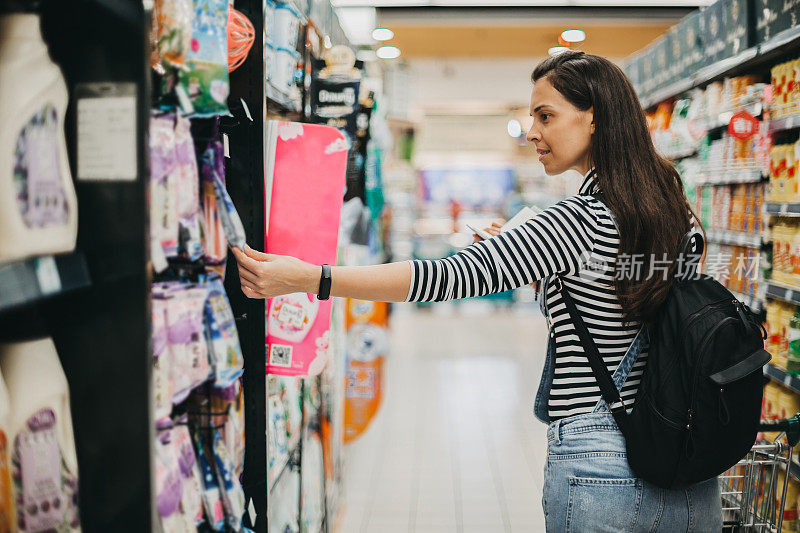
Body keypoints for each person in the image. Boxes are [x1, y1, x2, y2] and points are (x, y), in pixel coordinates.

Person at [232, 50, 721, 532]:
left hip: (604, 465)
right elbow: (633, 306)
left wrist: (310, 278)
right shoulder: (671, 213)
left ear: (595, 118)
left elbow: (439, 278)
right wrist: (532, 259)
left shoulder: (577, 221)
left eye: (545, 116)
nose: (532, 131)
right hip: (686, 467)